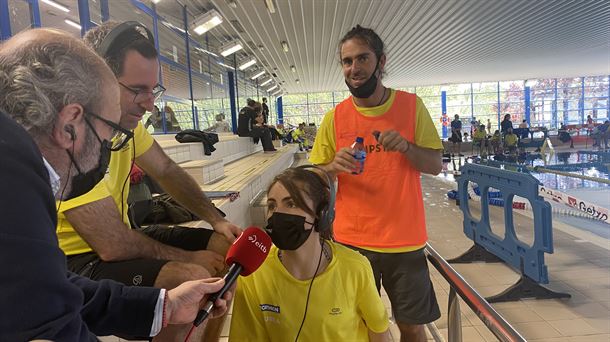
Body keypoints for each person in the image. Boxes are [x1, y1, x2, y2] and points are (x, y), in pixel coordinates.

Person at [0, 28, 231, 341]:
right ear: (70, 124)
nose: (111, 146)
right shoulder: (17, 181)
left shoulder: (19, 160)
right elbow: (51, 321)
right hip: (86, 256)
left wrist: (163, 307)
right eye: (109, 135)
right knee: (191, 273)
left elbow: (55, 289)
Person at [309, 25, 442, 342]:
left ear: (381, 61)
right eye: (347, 61)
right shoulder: (336, 118)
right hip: (353, 243)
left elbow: (435, 165)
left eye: (362, 59)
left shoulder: (411, 107)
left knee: (411, 326)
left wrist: (408, 148)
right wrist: (331, 168)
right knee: (360, 325)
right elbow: (312, 180)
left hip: (405, 242)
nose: (354, 69)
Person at [229, 167, 389, 341]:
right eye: (272, 205)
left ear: (321, 214)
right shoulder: (253, 272)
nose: (278, 214)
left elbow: (379, 332)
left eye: (291, 204)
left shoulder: (355, 267)